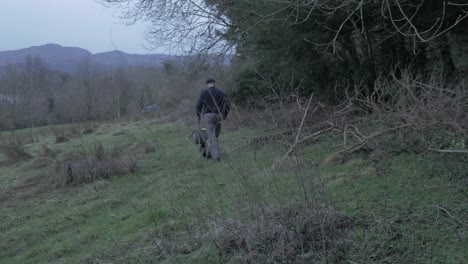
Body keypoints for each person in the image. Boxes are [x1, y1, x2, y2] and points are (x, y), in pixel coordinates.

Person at [196, 78, 230, 162]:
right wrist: (224, 114)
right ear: (214, 83)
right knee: (215, 136)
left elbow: (198, 105)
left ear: (207, 84)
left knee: (211, 137)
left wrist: (198, 115)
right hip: (218, 115)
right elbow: (228, 104)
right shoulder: (220, 92)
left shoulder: (204, 92)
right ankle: (208, 153)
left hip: (208, 116)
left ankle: (215, 158)